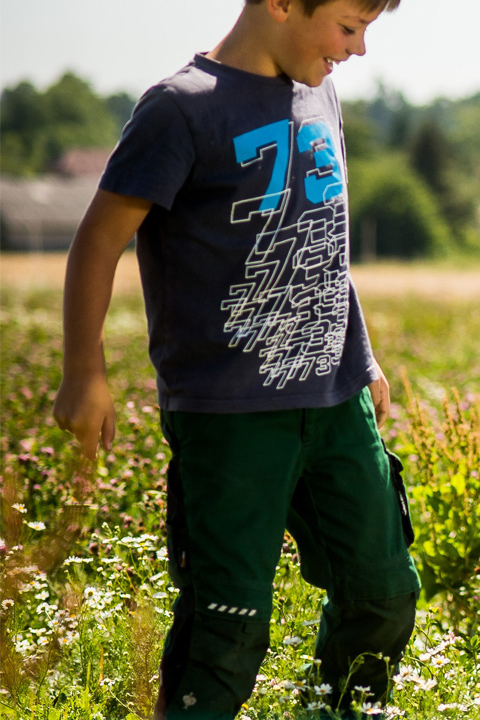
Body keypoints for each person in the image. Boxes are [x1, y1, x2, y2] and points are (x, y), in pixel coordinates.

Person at [51, 0, 414, 716]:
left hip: (336, 406)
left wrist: (362, 357)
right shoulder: (180, 109)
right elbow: (98, 240)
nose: (360, 49)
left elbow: (324, 244)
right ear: (280, 3)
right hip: (230, 423)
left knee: (383, 594)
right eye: (349, 26)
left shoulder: (320, 93)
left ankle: (338, 710)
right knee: (228, 627)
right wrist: (83, 372)